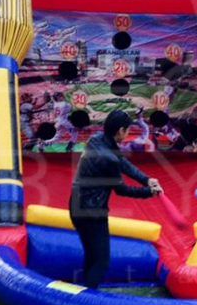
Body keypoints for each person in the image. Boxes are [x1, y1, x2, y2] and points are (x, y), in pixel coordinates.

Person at [69, 110, 163, 288]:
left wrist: (146, 179)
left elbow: (122, 162)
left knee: (91, 255)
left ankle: (84, 292)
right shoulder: (109, 159)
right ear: (120, 130)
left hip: (75, 207)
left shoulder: (96, 139)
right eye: (127, 130)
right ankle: (87, 303)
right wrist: (149, 192)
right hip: (92, 214)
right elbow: (122, 190)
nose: (127, 134)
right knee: (101, 261)